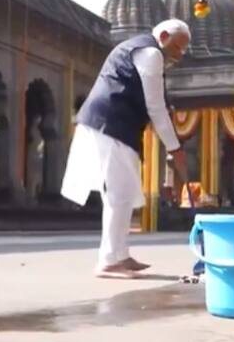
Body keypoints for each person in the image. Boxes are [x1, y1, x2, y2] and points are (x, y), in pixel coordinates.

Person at [61, 18, 190, 278]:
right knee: (119, 194)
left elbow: (153, 102)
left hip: (119, 127)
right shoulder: (151, 53)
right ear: (163, 36)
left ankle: (120, 255)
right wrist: (175, 149)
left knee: (125, 191)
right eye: (177, 48)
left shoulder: (147, 52)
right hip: (109, 123)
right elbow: (155, 107)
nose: (179, 55)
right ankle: (108, 261)